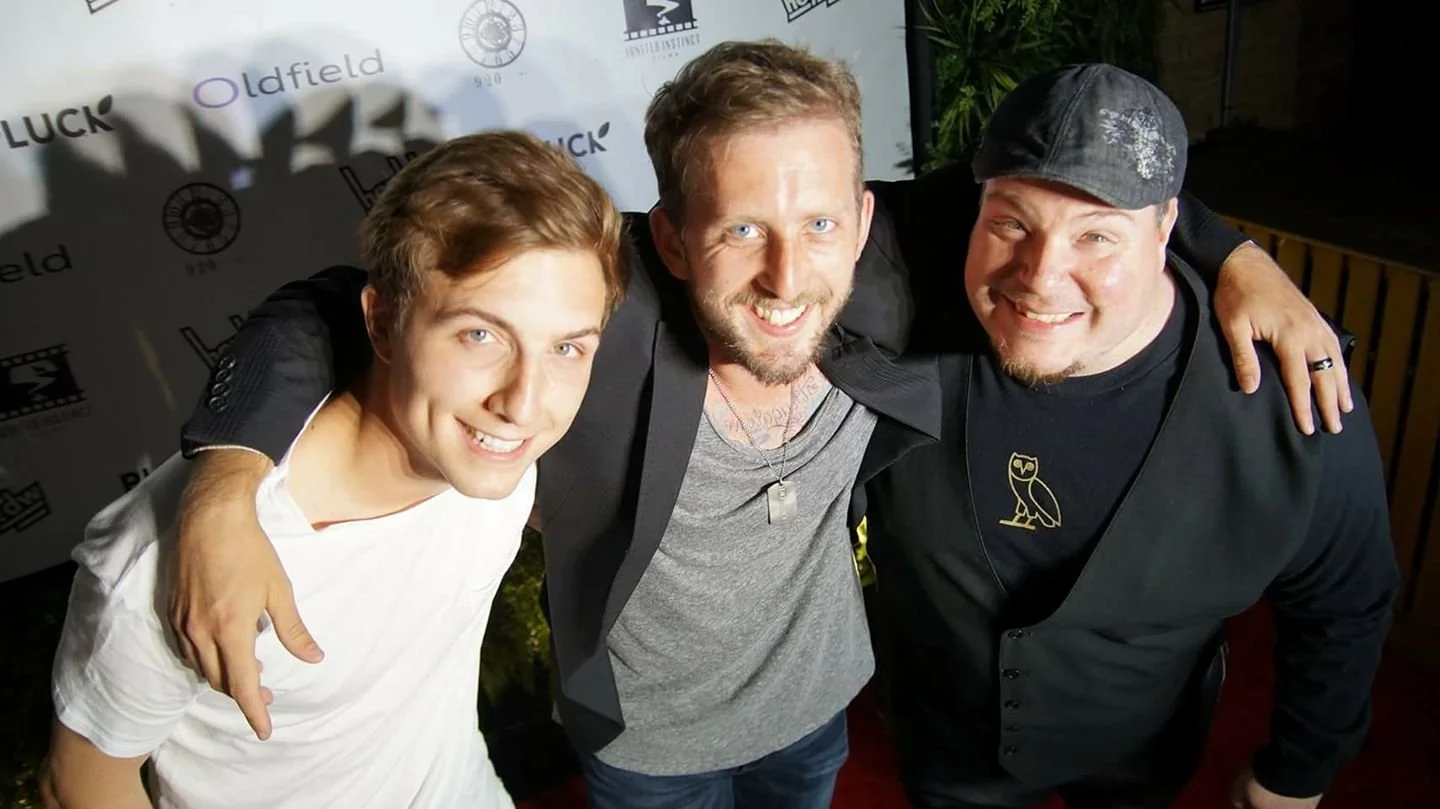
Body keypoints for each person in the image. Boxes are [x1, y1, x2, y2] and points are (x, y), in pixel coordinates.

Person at [162, 42, 1350, 808]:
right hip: (643, 745)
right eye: (738, 231)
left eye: (822, 224)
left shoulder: (892, 272)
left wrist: (1229, 249)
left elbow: (1085, 205)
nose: (788, 275)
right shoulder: (604, 305)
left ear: (865, 216)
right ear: (674, 238)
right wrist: (223, 476)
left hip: (819, 710)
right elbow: (338, 300)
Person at [860, 64, 1398, 809]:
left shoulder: (1291, 399)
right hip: (942, 749)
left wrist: (1299, 771)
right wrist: (1236, 249)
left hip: (1142, 755)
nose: (1041, 276)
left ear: (1167, 226)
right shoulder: (896, 293)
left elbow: (1345, 604)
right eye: (1010, 221)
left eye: (1097, 236)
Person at [38, 130, 626, 809]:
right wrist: (223, 493)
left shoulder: (490, 455)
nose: (523, 402)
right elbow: (81, 781)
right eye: (479, 334)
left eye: (566, 348)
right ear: (380, 325)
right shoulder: (175, 558)